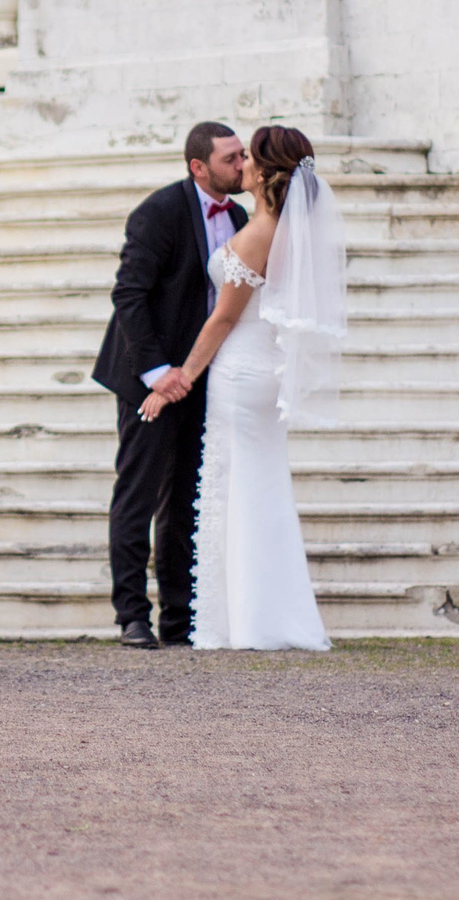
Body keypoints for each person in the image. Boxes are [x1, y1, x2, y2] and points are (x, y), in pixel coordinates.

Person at [141, 124, 341, 652]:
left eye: (249, 157)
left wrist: (180, 378)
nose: (242, 164)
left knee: (238, 493)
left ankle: (244, 621)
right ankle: (262, 616)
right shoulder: (282, 228)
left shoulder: (256, 233)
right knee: (261, 490)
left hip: (240, 370)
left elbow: (223, 319)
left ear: (267, 172)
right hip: (263, 369)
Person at [92, 121, 248, 650]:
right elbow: (128, 297)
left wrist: (196, 372)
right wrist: (160, 374)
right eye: (231, 158)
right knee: (137, 496)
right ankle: (132, 616)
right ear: (197, 167)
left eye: (243, 154)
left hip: (202, 378)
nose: (243, 164)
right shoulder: (157, 213)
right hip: (147, 378)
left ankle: (180, 621)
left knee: (185, 502)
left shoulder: (243, 217)